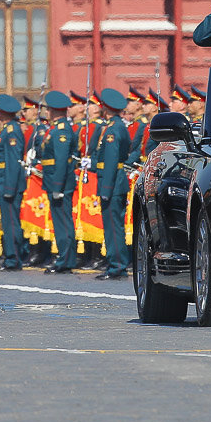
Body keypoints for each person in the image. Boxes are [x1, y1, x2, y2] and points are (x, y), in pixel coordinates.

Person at [93, 88, 132, 280]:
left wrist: (106, 188)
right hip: (114, 181)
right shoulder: (115, 127)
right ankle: (115, 263)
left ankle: (117, 265)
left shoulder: (113, 130)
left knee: (113, 226)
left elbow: (111, 160)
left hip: (112, 183)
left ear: (104, 108)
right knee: (113, 225)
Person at [0, 94, 29, 271]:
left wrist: (10, 187)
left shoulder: (12, 131)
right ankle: (11, 256)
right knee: (7, 222)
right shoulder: (5, 130)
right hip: (1, 181)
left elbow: (13, 160)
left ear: (2, 114)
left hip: (8, 182)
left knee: (11, 222)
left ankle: (13, 259)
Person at [39, 91, 78, 274]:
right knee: (61, 221)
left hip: (60, 182)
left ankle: (66, 260)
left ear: (53, 111)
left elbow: (61, 161)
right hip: (54, 180)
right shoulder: (56, 129)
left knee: (63, 221)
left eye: (48, 109)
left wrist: (57, 186)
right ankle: (65, 258)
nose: (46, 112)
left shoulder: (61, 130)